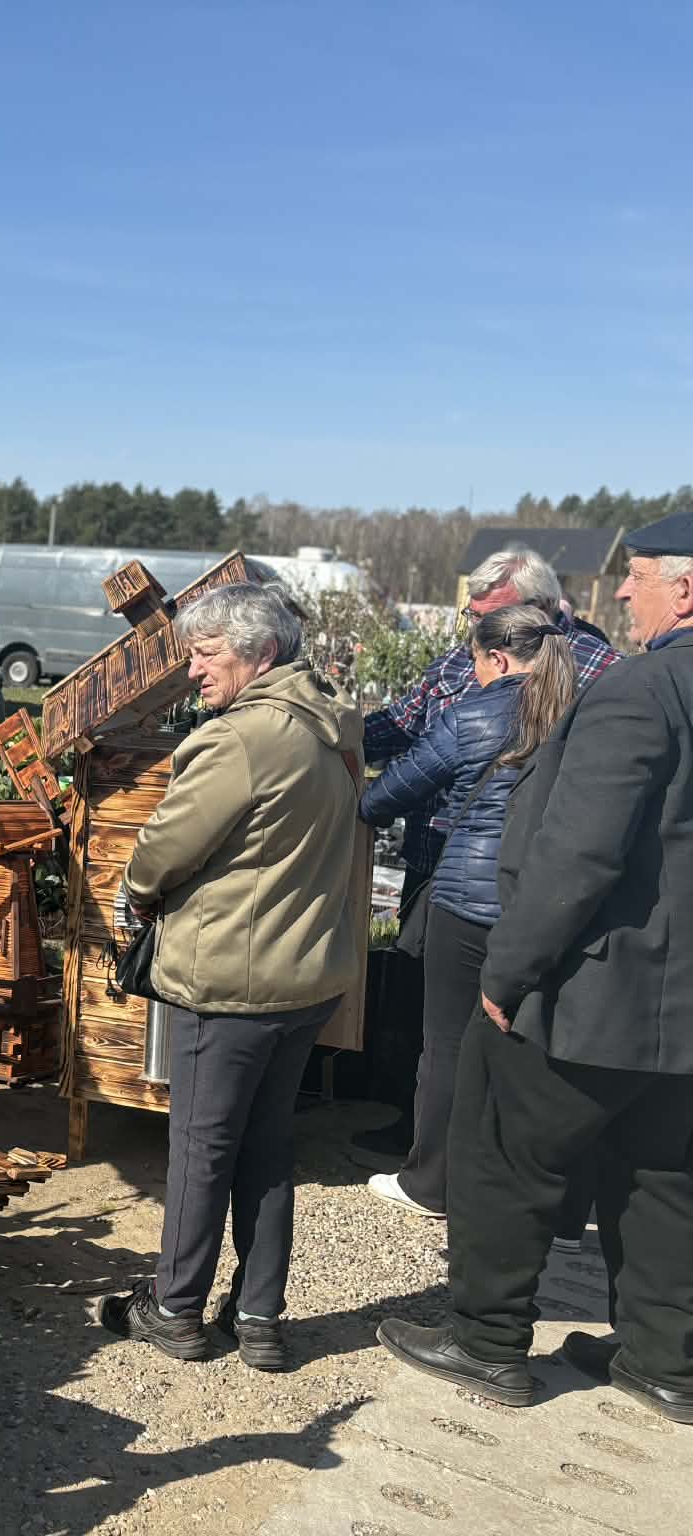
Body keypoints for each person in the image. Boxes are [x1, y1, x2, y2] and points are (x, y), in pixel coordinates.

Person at [377, 511, 693, 1423]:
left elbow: (578, 854)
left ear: (687, 588)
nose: (621, 589)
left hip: (595, 992)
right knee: (663, 1176)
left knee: (501, 1154)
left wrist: (507, 973)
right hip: (679, 1010)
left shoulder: (642, 690)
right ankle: (664, 1361)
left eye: (638, 574)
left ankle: (485, 1343)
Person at [96, 584, 363, 1372]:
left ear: (261, 652)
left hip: (231, 983)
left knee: (202, 1149)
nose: (193, 670)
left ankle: (175, 1309)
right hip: (305, 978)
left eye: (207, 653)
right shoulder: (331, 720)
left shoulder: (242, 739)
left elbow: (165, 848)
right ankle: (259, 1318)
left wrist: (137, 891)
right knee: (267, 1145)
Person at [352, 547, 618, 1165]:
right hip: (439, 863)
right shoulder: (461, 655)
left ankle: (459, 1160)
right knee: (428, 1011)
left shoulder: (604, 669)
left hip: (534, 884)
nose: (474, 625)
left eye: (487, 615)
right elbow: (402, 723)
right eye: (471, 614)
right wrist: (333, 731)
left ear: (538, 610)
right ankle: (424, 1135)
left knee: (494, 1022)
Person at [356, 607, 575, 1221]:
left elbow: (387, 795)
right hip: (548, 904)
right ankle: (519, 1185)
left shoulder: (474, 714)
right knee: (530, 1048)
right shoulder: (579, 711)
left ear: (497, 659)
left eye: (476, 663)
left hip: (467, 901)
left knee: (448, 1044)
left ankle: (431, 1182)